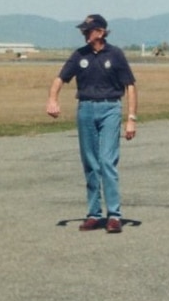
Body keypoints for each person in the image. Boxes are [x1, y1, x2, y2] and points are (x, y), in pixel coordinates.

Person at [46, 14, 137, 234]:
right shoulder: (79, 55)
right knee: (90, 163)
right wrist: (52, 99)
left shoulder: (115, 55)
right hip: (85, 109)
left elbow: (130, 86)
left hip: (110, 108)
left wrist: (131, 119)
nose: (84, 34)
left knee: (107, 161)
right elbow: (60, 79)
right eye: (83, 31)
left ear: (101, 32)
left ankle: (114, 216)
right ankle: (94, 214)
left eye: (88, 30)